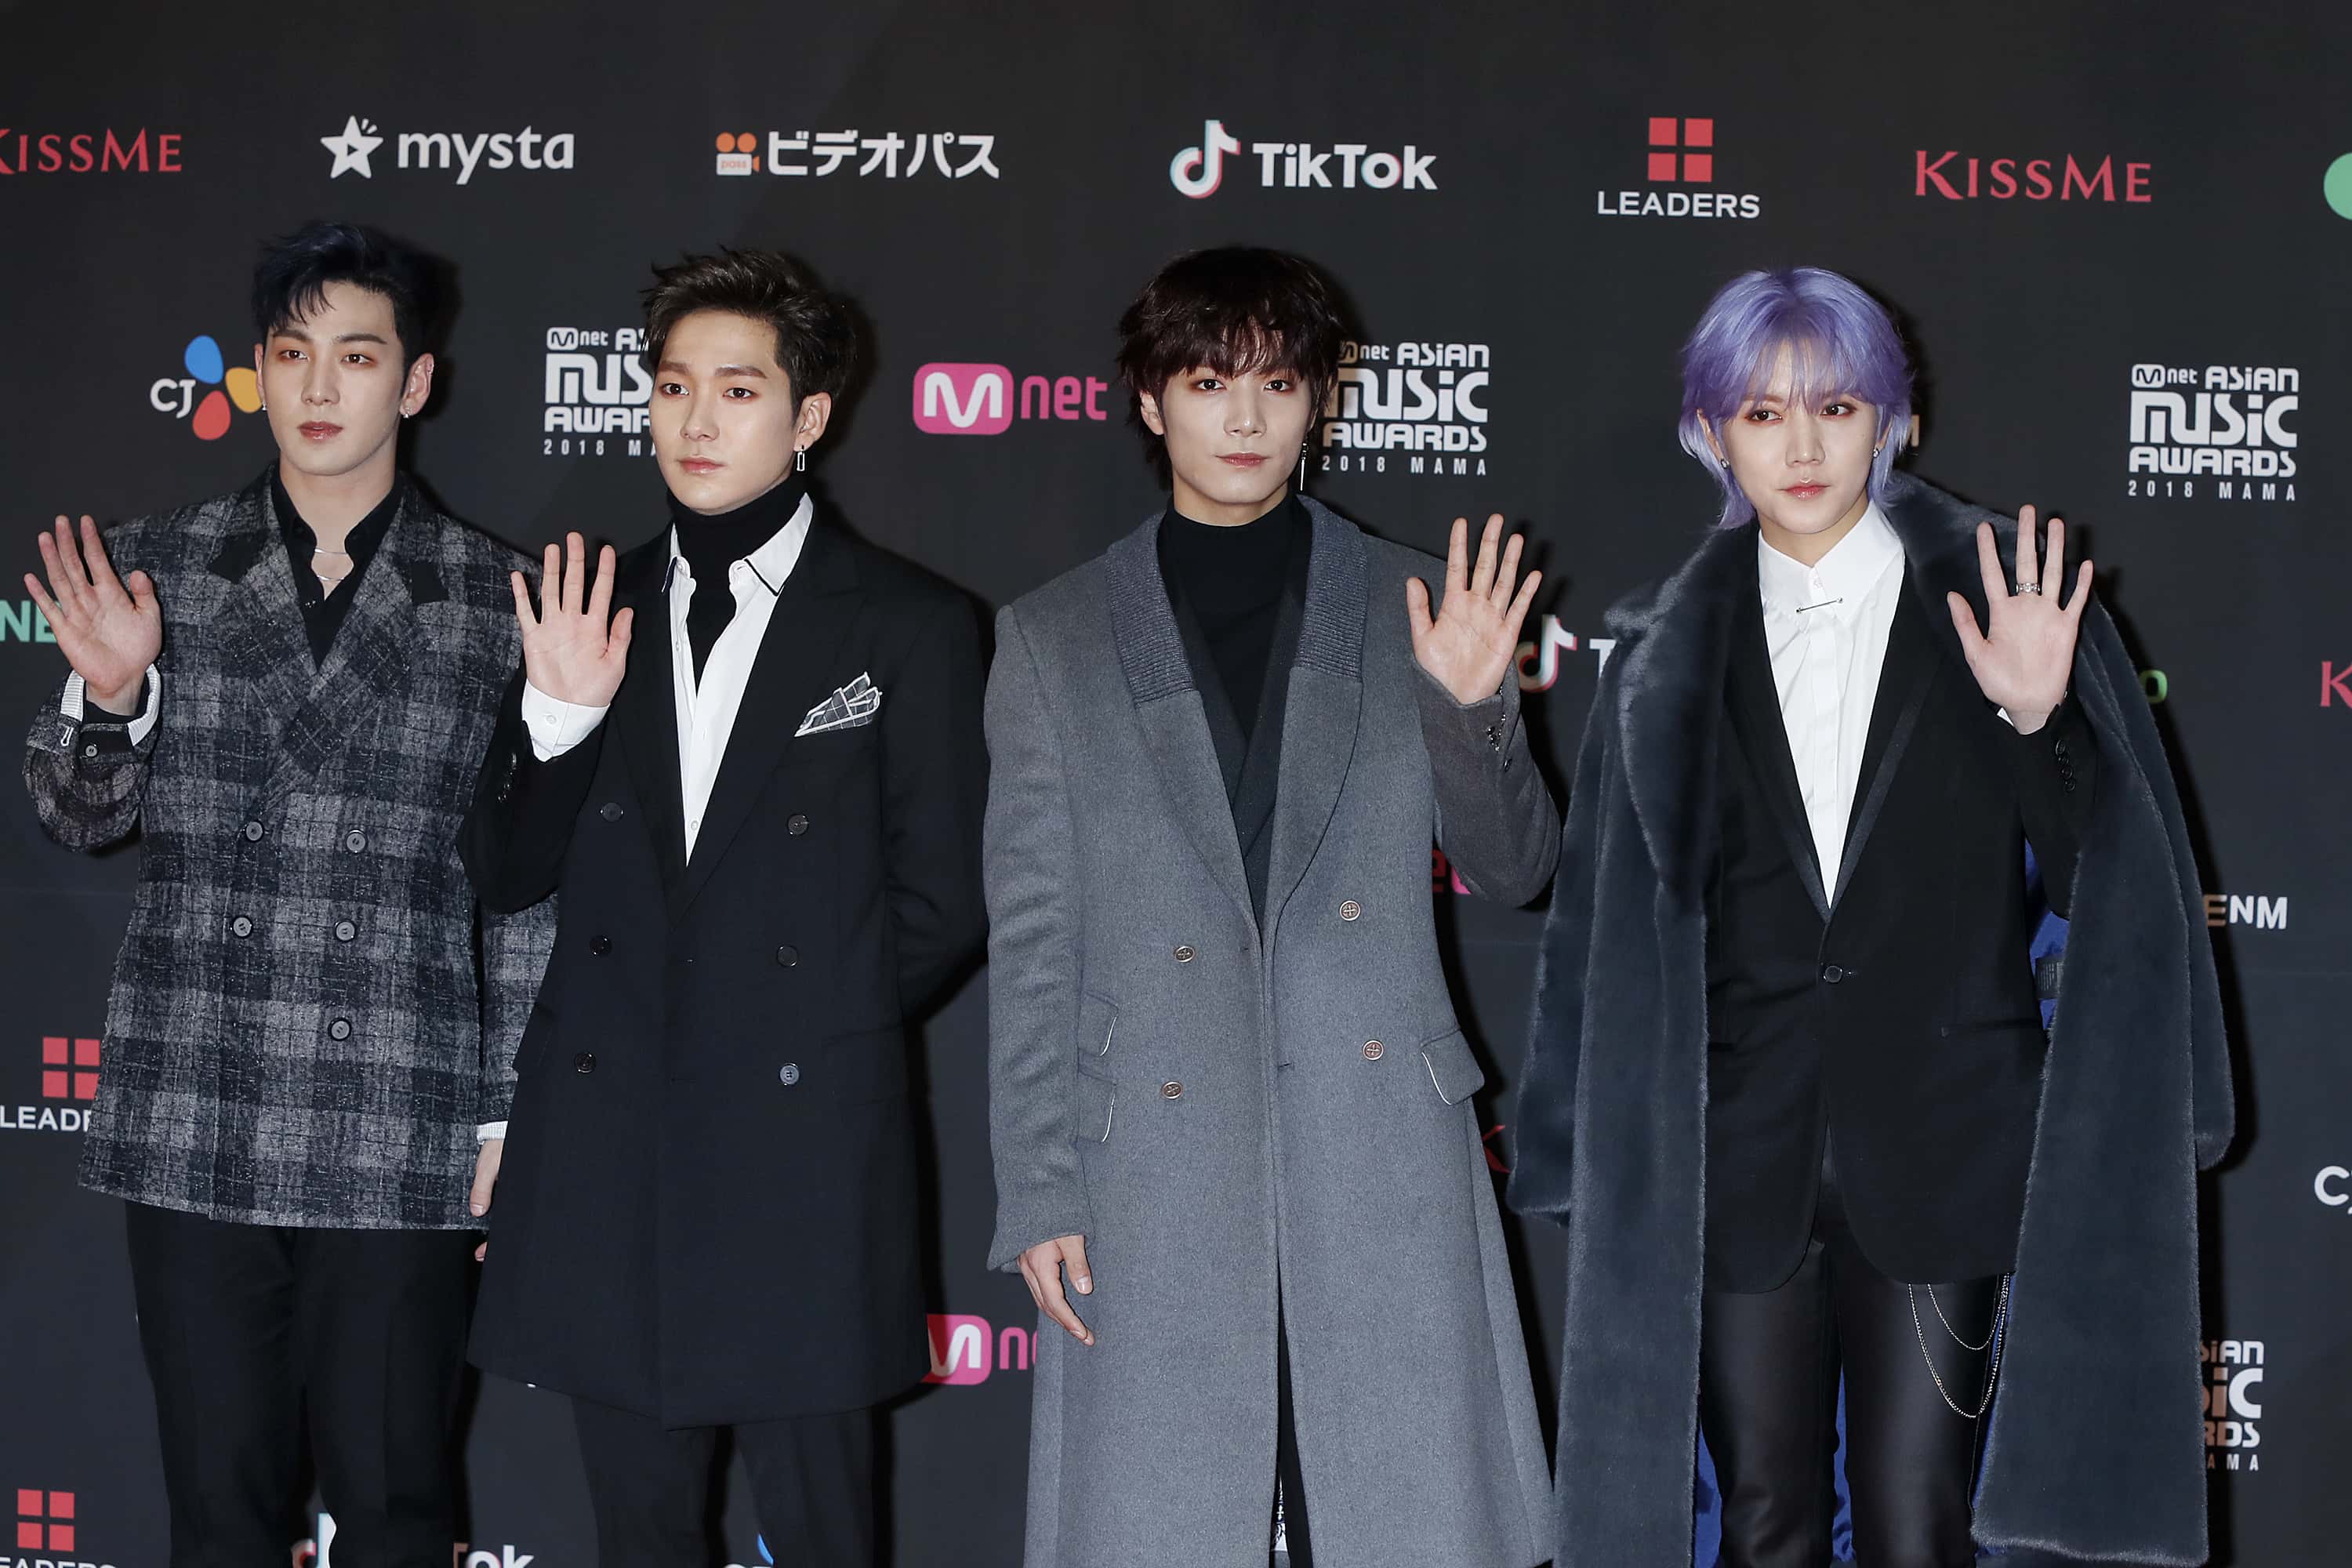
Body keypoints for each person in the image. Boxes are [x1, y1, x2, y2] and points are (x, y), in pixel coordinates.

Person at [1509, 267, 2231, 1567]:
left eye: (1835, 408)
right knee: (1763, 1524)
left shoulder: (2008, 603)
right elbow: (1605, 932)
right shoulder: (1660, 652)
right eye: (1762, 412)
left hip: (1947, 1149)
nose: (1801, 446)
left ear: (1894, 421)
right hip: (1737, 1156)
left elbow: (2114, 891)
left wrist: (2039, 719)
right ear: (1711, 431)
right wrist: (1577, 1148)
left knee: (1918, 1527)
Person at [985, 245, 1559, 1567]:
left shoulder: (1415, 600)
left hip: (1380, 1145)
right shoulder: (1055, 637)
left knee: (1402, 1525)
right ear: (1150, 401)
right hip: (1151, 1160)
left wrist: (1474, 708)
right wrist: (1039, 1185)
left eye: (1278, 383)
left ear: (1319, 402)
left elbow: (1518, 868)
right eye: (1207, 382)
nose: (1244, 418)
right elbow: (1034, 938)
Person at [20, 221, 554, 1567]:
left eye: (357, 357)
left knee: (398, 1511)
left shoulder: (502, 600)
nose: (320, 388)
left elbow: (527, 889)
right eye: (293, 353)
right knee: (219, 1516)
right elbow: (75, 817)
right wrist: (114, 695)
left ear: (414, 383)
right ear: (259, 369)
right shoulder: (153, 566)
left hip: (404, 1110)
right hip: (199, 1099)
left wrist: (509, 1106)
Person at [460, 248, 987, 1565]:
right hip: (609, 1144)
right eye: (673, 385)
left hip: (802, 1149)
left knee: (824, 1532)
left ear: (809, 417)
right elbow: (504, 873)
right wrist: (558, 715)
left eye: (738, 390)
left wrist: (785, 1030)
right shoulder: (588, 607)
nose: (696, 420)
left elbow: (946, 897)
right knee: (639, 1536)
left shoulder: (910, 625)